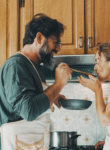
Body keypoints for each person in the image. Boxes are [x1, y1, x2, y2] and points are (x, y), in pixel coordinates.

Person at [0, 13, 72, 149]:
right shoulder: (16, 65)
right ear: (39, 38)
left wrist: (52, 96)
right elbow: (28, 110)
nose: (58, 48)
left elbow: (30, 101)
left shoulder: (34, 66)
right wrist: (58, 85)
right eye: (56, 42)